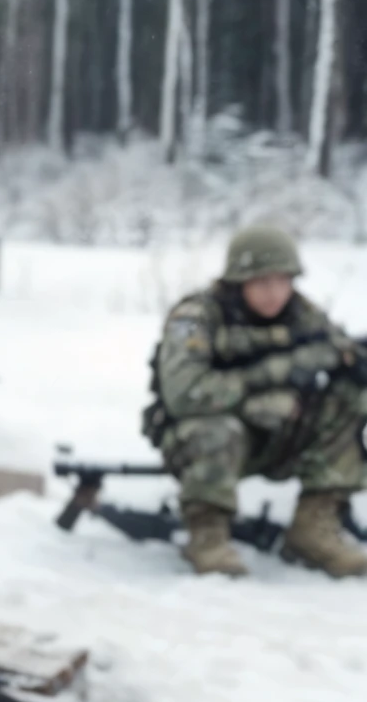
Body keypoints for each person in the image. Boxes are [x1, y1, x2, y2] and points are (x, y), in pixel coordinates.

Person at [147, 222, 367, 578]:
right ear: (238, 281)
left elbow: (337, 349)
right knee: (218, 428)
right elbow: (185, 395)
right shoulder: (194, 318)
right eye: (263, 282)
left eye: (284, 281)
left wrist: (349, 361)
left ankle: (314, 528)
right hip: (199, 443)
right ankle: (207, 536)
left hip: (277, 438)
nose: (275, 293)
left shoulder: (303, 314)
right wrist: (274, 375)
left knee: (349, 398)